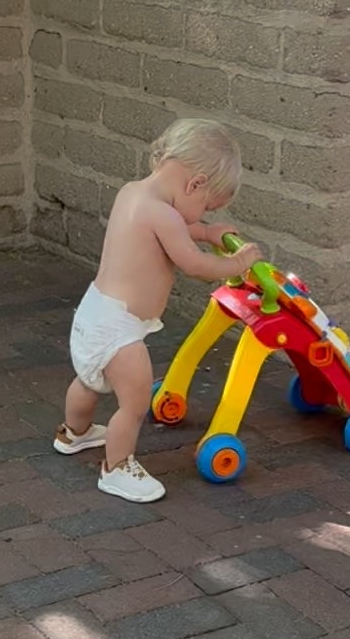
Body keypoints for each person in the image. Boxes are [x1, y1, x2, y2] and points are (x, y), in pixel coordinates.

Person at [54, 117, 262, 503]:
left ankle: (73, 433)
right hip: (120, 328)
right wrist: (237, 265)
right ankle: (116, 469)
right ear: (195, 183)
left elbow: (176, 229)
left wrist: (207, 231)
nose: (198, 217)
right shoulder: (166, 215)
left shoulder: (134, 194)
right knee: (133, 404)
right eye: (204, 208)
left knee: (88, 379)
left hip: (96, 312)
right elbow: (194, 265)